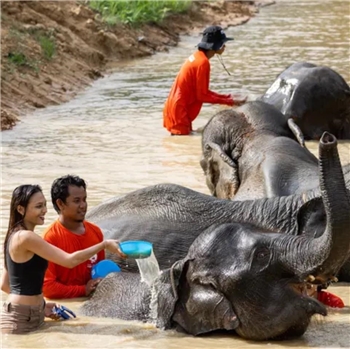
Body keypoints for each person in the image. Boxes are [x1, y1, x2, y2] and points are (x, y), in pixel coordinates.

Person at [0, 184, 126, 334]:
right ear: (21, 209)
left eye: (45, 205)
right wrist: (104, 245)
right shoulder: (26, 237)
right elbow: (69, 260)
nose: (45, 210)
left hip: (26, 313)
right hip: (21, 318)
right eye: (39, 206)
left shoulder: (14, 235)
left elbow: (4, 284)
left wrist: (39, 305)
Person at [163, 25, 247, 136]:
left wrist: (228, 97)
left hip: (177, 108)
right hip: (179, 112)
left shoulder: (197, 57)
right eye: (222, 43)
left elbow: (203, 93)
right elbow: (202, 96)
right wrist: (230, 101)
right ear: (215, 45)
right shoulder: (203, 63)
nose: (224, 46)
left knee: (183, 144)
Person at [42, 175, 106, 299]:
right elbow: (48, 288)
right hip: (66, 305)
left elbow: (100, 270)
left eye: (84, 199)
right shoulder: (50, 238)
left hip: (91, 303)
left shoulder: (96, 232)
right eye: (77, 201)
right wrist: (83, 290)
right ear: (60, 204)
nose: (83, 205)